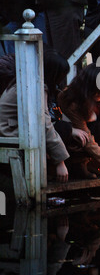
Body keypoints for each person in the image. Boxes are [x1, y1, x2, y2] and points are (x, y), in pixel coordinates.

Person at [0, 48, 70, 182]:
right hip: (7, 131)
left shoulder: (25, 79)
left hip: (9, 127)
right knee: (63, 129)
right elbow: (44, 123)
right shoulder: (36, 86)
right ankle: (50, 173)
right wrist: (60, 162)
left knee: (62, 129)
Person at [57, 63, 100, 184]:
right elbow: (89, 141)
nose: (99, 94)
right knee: (91, 134)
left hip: (86, 127)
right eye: (96, 92)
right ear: (88, 88)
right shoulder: (72, 101)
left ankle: (87, 163)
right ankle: (79, 163)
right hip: (71, 136)